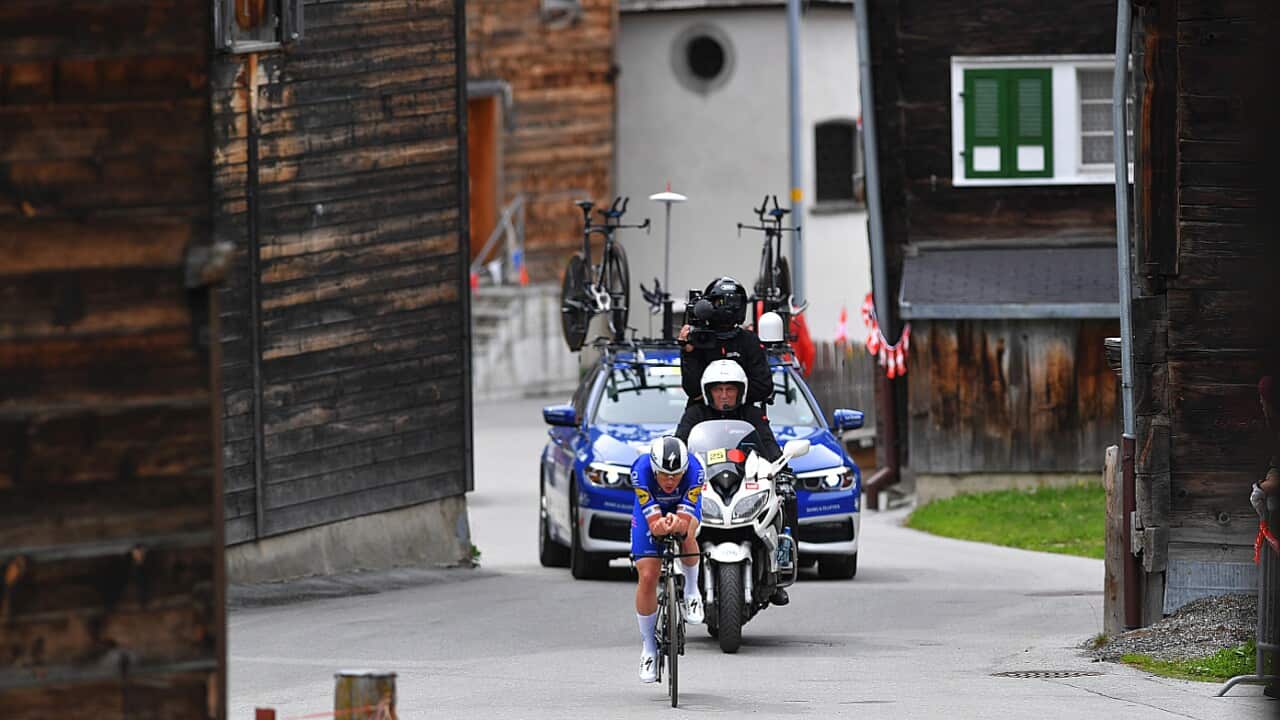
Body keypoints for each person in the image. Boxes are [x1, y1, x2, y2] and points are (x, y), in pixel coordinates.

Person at [674, 360, 796, 606]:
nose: (724, 396)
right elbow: (680, 444)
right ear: (708, 392)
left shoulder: (751, 414)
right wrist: (675, 467)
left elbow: (768, 443)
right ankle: (671, 569)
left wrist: (782, 469)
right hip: (707, 481)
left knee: (787, 498)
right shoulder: (695, 414)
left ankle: (780, 566)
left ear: (741, 391)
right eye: (718, 390)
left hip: (744, 481)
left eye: (730, 390)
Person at [631, 436, 705, 684]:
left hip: (682, 507)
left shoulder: (696, 471)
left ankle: (692, 591)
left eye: (676, 475)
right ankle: (649, 647)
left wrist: (677, 524)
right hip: (651, 511)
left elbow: (685, 520)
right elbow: (653, 524)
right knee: (648, 575)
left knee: (687, 533)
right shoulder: (639, 472)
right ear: (653, 469)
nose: (671, 481)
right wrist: (660, 525)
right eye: (664, 475)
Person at [678, 277, 773, 408]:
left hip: (744, 414)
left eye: (735, 302)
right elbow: (693, 390)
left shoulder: (749, 341)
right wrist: (688, 351)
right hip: (702, 415)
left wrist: (731, 397)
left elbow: (763, 387)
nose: (729, 308)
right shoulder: (697, 340)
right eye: (720, 302)